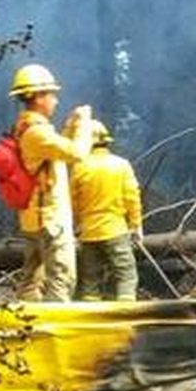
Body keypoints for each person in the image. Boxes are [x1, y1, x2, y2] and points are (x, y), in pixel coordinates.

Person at [8, 63, 96, 301]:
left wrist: (70, 126)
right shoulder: (36, 133)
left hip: (34, 217)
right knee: (61, 279)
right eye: (51, 94)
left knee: (32, 283)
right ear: (37, 97)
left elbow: (56, 152)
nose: (55, 100)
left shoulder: (27, 128)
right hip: (49, 220)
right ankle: (54, 332)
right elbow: (76, 153)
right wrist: (86, 125)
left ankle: (27, 332)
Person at [70, 122, 144, 301]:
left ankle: (91, 321)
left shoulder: (80, 167)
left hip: (89, 233)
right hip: (115, 230)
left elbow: (73, 201)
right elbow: (131, 197)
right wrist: (136, 225)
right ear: (106, 142)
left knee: (90, 281)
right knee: (126, 275)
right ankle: (126, 316)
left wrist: (78, 224)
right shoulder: (121, 165)